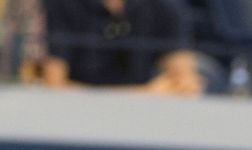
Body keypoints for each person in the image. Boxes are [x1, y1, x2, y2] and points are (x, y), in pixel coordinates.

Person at [40, 0, 202, 96]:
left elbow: (185, 84)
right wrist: (146, 93)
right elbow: (53, 86)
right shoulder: (59, 5)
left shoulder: (167, 8)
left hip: (146, 123)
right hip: (76, 122)